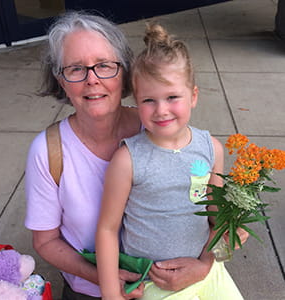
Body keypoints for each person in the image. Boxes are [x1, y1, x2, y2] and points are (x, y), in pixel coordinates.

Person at [24, 11, 222, 300]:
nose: (92, 79)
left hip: (177, 286)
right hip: (92, 291)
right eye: (76, 69)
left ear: (124, 73)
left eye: (104, 65)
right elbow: (46, 241)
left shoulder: (159, 126)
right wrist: (104, 280)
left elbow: (209, 214)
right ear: (61, 80)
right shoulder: (47, 151)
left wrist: (205, 264)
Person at [96, 23, 245, 299]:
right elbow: (107, 228)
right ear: (136, 101)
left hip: (206, 270)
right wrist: (110, 294)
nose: (161, 110)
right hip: (156, 281)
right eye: (149, 100)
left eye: (172, 97)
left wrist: (231, 225)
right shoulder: (128, 159)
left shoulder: (210, 149)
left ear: (194, 96)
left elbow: (213, 213)